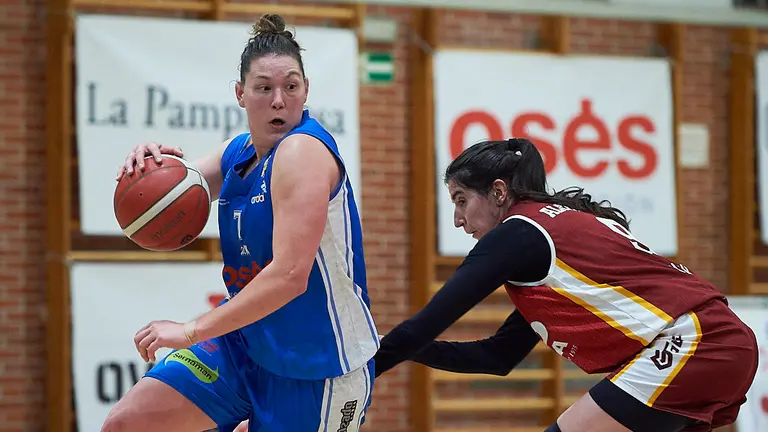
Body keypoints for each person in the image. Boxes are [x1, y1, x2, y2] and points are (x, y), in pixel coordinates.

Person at [104, 13, 378, 432]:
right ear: (240, 94)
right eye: (264, 88)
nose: (279, 100)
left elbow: (289, 277)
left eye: (291, 86)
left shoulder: (303, 153)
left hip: (316, 367)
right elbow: (174, 192)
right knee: (127, 424)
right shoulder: (238, 153)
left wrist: (190, 331)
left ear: (306, 90)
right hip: (244, 346)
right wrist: (148, 163)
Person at [373, 138, 759, 432]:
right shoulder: (547, 244)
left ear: (499, 192)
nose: (458, 219)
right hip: (721, 342)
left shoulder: (518, 233)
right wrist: (402, 349)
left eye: (461, 201)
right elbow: (498, 357)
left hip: (694, 342)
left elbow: (428, 323)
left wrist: (365, 363)